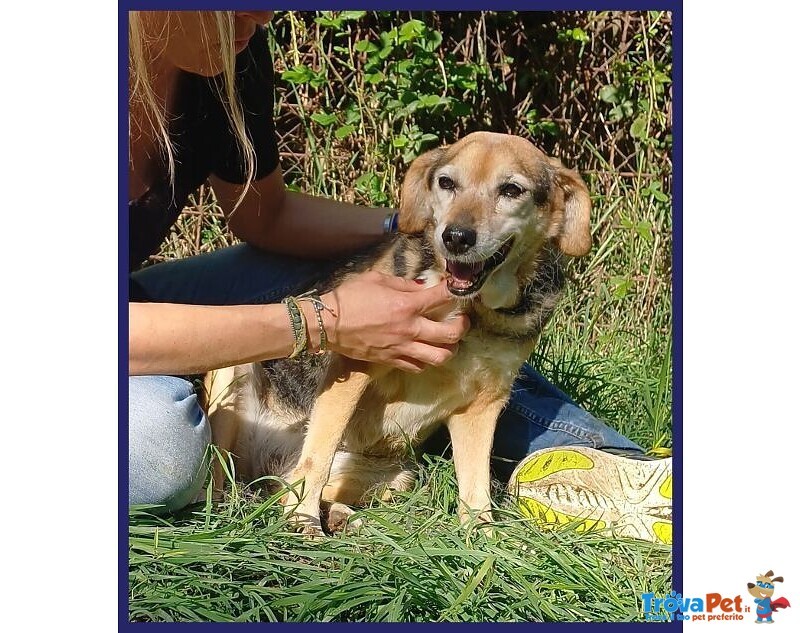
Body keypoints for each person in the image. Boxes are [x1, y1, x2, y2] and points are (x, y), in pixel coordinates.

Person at [128, 10, 671, 542]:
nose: (266, 16)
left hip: (139, 293)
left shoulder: (233, 50)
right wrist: (319, 321)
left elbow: (265, 217)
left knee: (460, 327)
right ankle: (258, 456)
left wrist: (406, 229)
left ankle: (602, 463)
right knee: (160, 441)